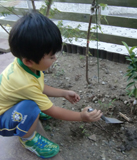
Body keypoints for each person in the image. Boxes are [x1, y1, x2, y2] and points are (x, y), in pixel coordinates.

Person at [0, 11, 102, 159]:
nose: (55, 58)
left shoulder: (26, 65)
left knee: (32, 103)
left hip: (9, 104)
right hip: (2, 118)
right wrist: (81, 116)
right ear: (29, 60)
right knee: (31, 107)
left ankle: (29, 116)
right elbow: (52, 110)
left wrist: (63, 93)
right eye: (51, 56)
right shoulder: (25, 84)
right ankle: (28, 139)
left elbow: (39, 87)